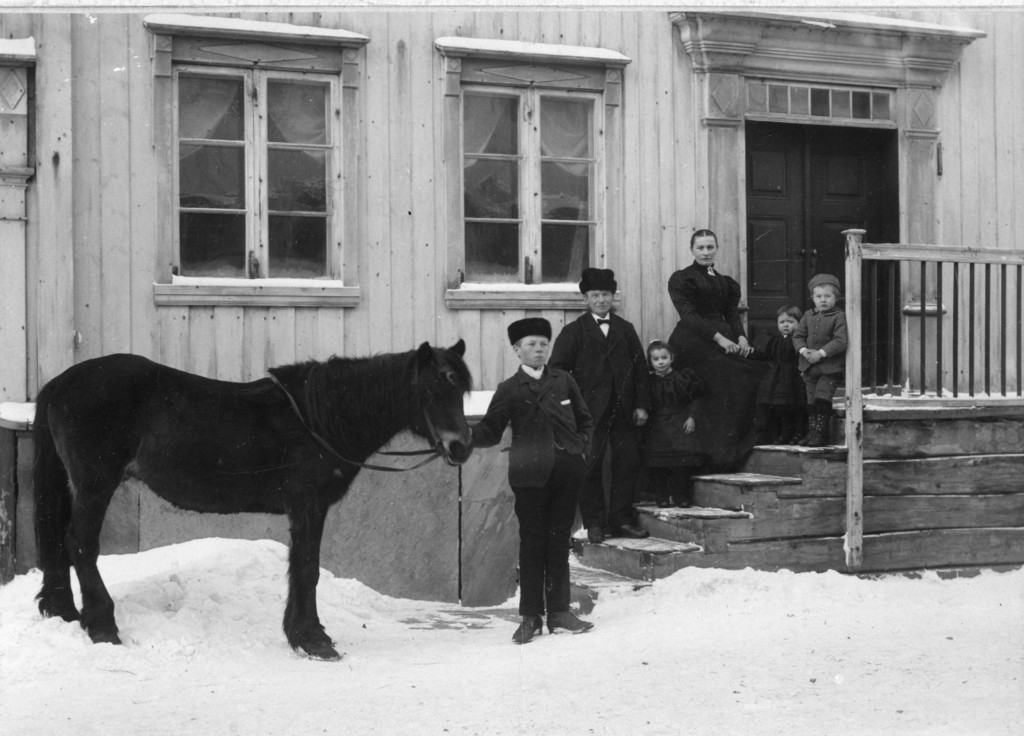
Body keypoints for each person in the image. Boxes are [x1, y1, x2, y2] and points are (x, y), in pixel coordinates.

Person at [471, 317, 596, 645]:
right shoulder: (509, 389)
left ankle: (559, 613)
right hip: (530, 477)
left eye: (543, 343)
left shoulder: (564, 380)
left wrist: (580, 450)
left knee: (559, 541)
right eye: (531, 344)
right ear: (517, 350)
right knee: (532, 544)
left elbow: (585, 420)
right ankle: (530, 617)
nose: (539, 349)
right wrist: (463, 437)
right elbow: (489, 430)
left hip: (566, 473)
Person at [550, 267, 651, 543]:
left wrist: (641, 405)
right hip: (588, 414)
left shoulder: (625, 329)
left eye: (606, 294)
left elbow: (640, 369)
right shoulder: (574, 332)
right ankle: (594, 523)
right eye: (595, 295)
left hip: (624, 411)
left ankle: (621, 521)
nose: (601, 300)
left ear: (612, 297)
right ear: (586, 299)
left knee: (626, 464)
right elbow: (557, 372)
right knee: (589, 466)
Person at [667, 229, 767, 469]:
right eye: (700, 248)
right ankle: (718, 455)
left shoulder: (726, 282)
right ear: (692, 250)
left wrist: (742, 338)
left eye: (710, 247)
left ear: (716, 249)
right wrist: (720, 339)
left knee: (757, 369)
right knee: (726, 373)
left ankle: (743, 443)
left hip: (727, 336)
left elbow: (731, 314)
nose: (705, 252)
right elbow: (689, 316)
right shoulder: (682, 278)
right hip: (693, 340)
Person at [642, 340, 705, 508]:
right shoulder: (648, 381)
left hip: (679, 423)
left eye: (664, 358)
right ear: (650, 361)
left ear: (671, 358)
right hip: (657, 425)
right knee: (659, 465)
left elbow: (696, 398)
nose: (661, 362)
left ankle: (680, 496)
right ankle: (661, 496)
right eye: (656, 359)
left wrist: (692, 417)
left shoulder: (681, 378)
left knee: (680, 464)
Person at [792, 273, 848, 447]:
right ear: (813, 298)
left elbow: (840, 341)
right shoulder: (808, 315)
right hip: (809, 367)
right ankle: (812, 433)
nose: (823, 300)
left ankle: (820, 434)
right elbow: (798, 336)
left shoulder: (839, 316)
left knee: (821, 398)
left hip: (830, 368)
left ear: (836, 298)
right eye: (819, 296)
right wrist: (804, 350)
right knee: (810, 401)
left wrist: (821, 353)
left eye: (827, 296)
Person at [751, 305, 807, 445]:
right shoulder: (775, 340)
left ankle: (798, 433)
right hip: (778, 378)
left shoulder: (800, 340)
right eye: (782, 322)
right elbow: (766, 354)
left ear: (799, 323)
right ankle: (785, 433)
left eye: (790, 322)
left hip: (795, 376)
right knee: (781, 406)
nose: (786, 325)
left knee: (797, 405)